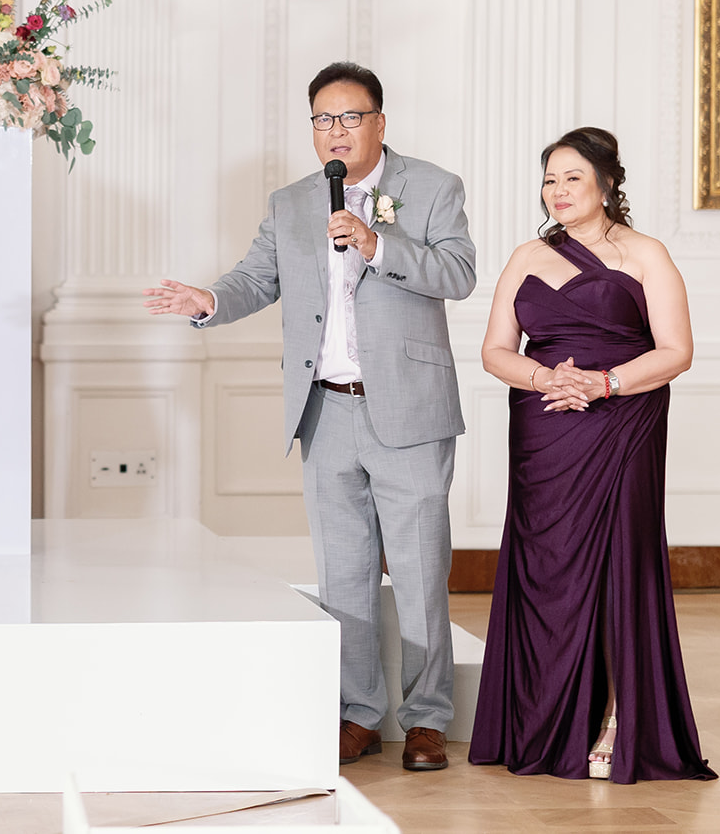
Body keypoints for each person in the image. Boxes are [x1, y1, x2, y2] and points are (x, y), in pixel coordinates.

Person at [143, 61, 476, 771]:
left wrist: (377, 241)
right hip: (325, 408)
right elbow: (254, 279)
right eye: (323, 119)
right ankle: (358, 712)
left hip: (411, 412)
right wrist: (207, 300)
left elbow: (458, 273)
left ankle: (426, 719)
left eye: (350, 117)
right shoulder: (293, 201)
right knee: (344, 574)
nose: (336, 131)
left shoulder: (433, 187)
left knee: (418, 573)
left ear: (380, 123)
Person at [469, 128, 715, 783]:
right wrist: (547, 379)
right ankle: (543, 720)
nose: (558, 190)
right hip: (545, 427)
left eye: (572, 177)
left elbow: (676, 350)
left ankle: (618, 718)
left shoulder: (646, 253)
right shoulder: (526, 255)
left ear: (607, 183)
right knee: (546, 570)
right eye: (550, 179)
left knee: (617, 568)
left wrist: (601, 383)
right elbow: (496, 349)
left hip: (622, 422)